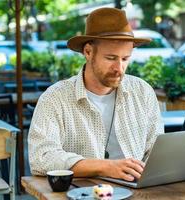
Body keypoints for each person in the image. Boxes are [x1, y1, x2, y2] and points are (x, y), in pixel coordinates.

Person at [28, 7, 164, 182]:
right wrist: (105, 167)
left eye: (125, 59)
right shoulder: (55, 98)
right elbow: (41, 157)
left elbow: (156, 149)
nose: (119, 68)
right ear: (88, 52)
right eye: (110, 58)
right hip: (82, 193)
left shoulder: (143, 91)